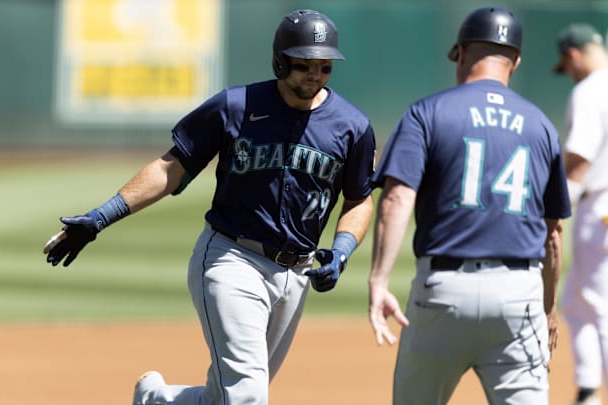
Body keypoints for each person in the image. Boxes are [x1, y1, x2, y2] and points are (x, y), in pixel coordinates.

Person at [42, 9, 376, 405]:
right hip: (233, 259)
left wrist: (341, 251)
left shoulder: (352, 126)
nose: (315, 75)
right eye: (304, 65)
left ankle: (157, 400)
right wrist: (101, 217)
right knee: (249, 395)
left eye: (324, 67)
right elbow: (171, 168)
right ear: (280, 61)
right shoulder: (236, 106)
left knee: (227, 395)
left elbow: (358, 199)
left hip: (297, 272)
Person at [367, 7, 571, 405]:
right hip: (519, 296)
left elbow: (396, 198)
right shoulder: (541, 125)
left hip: (443, 292)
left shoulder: (426, 113)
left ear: (460, 53)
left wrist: (378, 282)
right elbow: (552, 235)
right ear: (515, 60)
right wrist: (547, 309)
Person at [553, 23, 608, 405]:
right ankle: (587, 389)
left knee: (605, 307)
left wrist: (554, 210)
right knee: (574, 300)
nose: (568, 74)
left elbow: (580, 161)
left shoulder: (588, 92)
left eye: (566, 66)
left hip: (601, 205)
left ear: (573, 55)